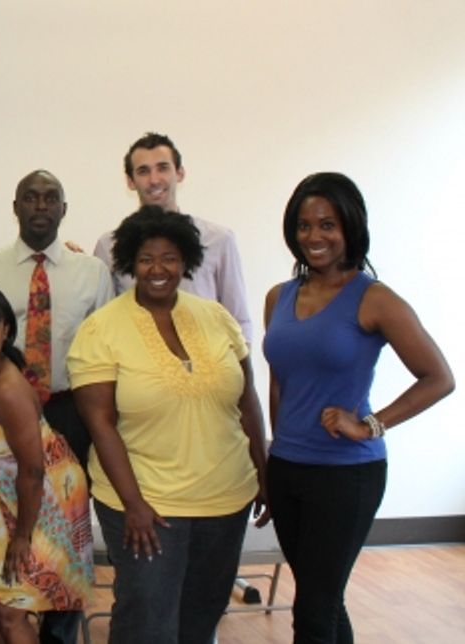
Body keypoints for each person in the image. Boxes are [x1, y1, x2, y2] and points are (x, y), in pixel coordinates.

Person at [262, 172, 453, 643]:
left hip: (346, 476)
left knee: (313, 609)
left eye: (327, 225)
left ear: (350, 227)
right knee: (320, 599)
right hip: (288, 468)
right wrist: (274, 453)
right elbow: (279, 382)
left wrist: (371, 425)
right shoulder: (278, 297)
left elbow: (439, 378)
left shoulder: (375, 299)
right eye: (304, 226)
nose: (314, 237)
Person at [67, 206, 268, 644]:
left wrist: (263, 471)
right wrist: (134, 504)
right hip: (148, 507)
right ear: (129, 265)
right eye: (146, 259)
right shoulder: (101, 329)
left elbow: (247, 400)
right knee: (147, 622)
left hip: (225, 499)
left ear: (187, 261)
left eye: (170, 258)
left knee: (203, 614)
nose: (158, 269)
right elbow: (100, 425)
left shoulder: (217, 318)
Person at [0, 169, 112, 643]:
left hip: (68, 414)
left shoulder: (92, 272)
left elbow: (103, 354)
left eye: (51, 198)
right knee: (2, 544)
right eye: (31, 197)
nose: (41, 205)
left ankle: (58, 635)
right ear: (16, 207)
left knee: (61, 543)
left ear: (64, 209)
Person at [0, 285, 93, 644]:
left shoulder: (8, 390)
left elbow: (32, 470)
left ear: (6, 333)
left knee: (11, 609)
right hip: (9, 491)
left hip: (47, 495)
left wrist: (22, 536)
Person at [93, 132, 253, 343]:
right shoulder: (109, 246)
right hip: (139, 370)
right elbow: (104, 322)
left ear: (180, 173)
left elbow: (238, 319)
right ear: (130, 181)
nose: (154, 180)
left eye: (163, 168)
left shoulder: (219, 240)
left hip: (208, 368)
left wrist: (239, 370)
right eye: (143, 171)